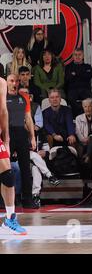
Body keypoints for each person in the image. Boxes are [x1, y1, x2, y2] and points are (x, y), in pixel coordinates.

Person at [0, 76, 27, 234]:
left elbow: (4, 111)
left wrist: (7, 141)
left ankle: (10, 218)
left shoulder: (2, 83)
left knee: (8, 175)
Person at [6, 74, 36, 208]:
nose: (14, 83)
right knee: (4, 169)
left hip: (21, 133)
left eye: (16, 81)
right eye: (11, 81)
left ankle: (28, 200)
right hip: (7, 133)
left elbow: (28, 118)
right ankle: (3, 200)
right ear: (6, 82)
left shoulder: (24, 97)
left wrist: (32, 137)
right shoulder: (2, 97)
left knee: (25, 168)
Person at [65, 48, 92, 117]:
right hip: (73, 90)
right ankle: (78, 117)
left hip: (85, 89)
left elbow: (88, 76)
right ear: (73, 56)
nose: (77, 57)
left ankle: (86, 116)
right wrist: (81, 74)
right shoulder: (68, 67)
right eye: (75, 55)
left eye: (79, 55)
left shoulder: (88, 66)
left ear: (83, 56)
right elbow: (67, 79)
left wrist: (75, 74)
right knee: (71, 99)